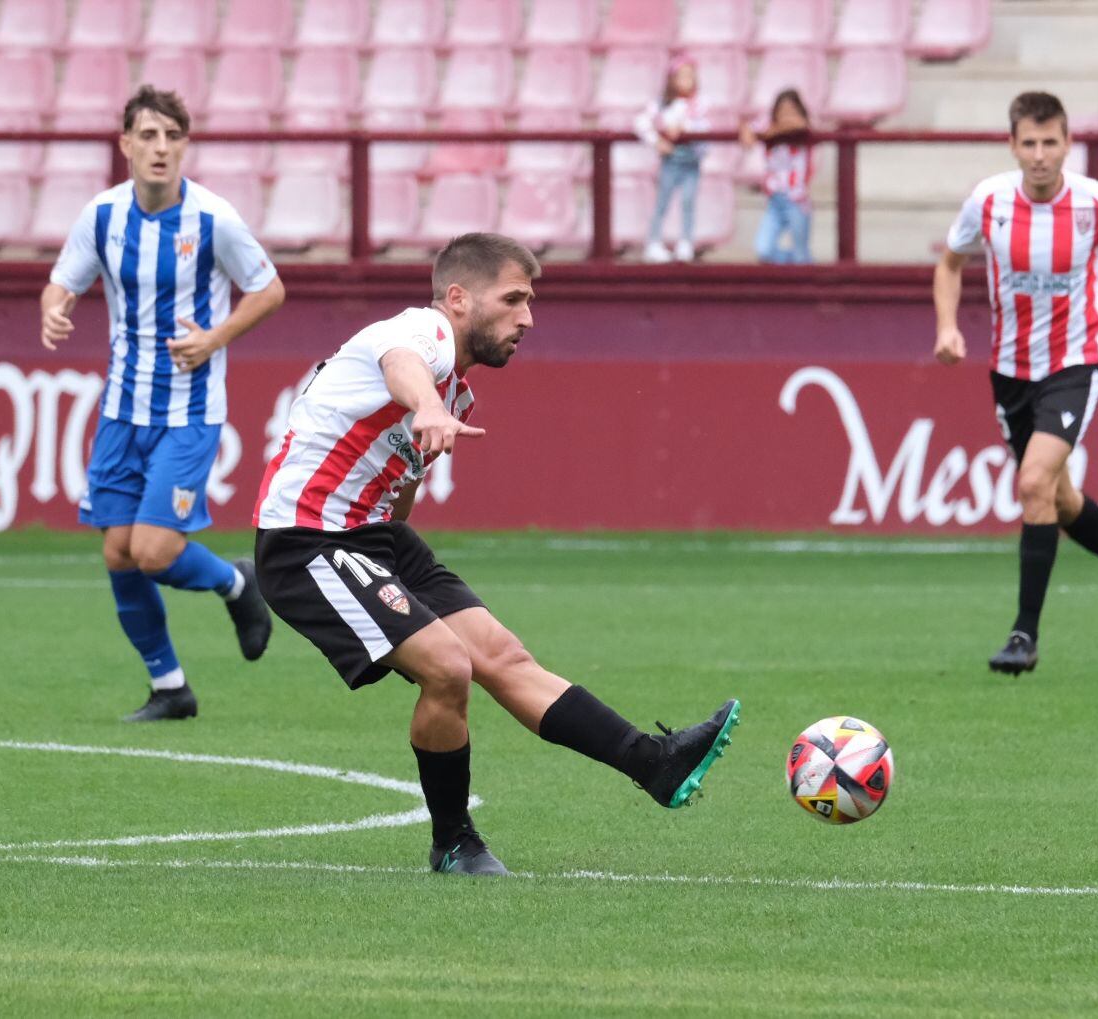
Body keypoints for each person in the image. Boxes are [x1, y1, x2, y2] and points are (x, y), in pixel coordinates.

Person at [252, 233, 740, 876]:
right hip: (308, 540)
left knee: (503, 656)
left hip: (375, 539)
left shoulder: (455, 392)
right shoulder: (418, 332)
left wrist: (399, 568)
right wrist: (426, 406)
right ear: (457, 299)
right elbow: (401, 364)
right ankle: (454, 842)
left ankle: (655, 762)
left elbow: (399, 482)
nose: (528, 318)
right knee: (448, 667)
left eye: (530, 302)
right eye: (513, 300)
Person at [41, 86, 286, 720]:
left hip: (188, 411)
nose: (160, 147)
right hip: (123, 409)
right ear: (125, 145)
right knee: (118, 552)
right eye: (147, 135)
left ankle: (238, 584)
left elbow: (268, 289)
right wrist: (54, 311)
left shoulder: (213, 219)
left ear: (185, 146)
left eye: (172, 136)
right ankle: (170, 687)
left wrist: (214, 338)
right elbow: (61, 283)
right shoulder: (102, 217)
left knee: (152, 550)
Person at [933, 91, 1098, 675]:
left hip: (1076, 359)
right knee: (1056, 497)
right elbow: (949, 262)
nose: (1040, 155)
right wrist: (946, 326)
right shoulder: (988, 201)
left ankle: (1024, 635)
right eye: (1030, 143)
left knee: (1033, 479)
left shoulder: (1095, 203)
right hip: (1010, 368)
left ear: (1067, 144)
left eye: (1051, 142)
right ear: (1013, 145)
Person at [635, 55, 709, 263]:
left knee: (688, 201)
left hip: (691, 162)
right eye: (682, 76)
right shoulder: (661, 104)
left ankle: (686, 241)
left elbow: (705, 132)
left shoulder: (699, 105)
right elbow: (640, 122)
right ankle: (654, 241)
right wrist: (657, 141)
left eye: (690, 76)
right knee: (663, 201)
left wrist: (687, 129)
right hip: (671, 161)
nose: (687, 80)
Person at [740, 88, 814, 264]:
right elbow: (747, 131)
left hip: (797, 200)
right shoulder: (769, 125)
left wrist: (770, 133)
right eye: (783, 110)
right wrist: (751, 132)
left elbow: (799, 125)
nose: (787, 115)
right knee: (764, 250)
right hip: (775, 200)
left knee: (800, 254)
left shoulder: (801, 131)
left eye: (791, 110)